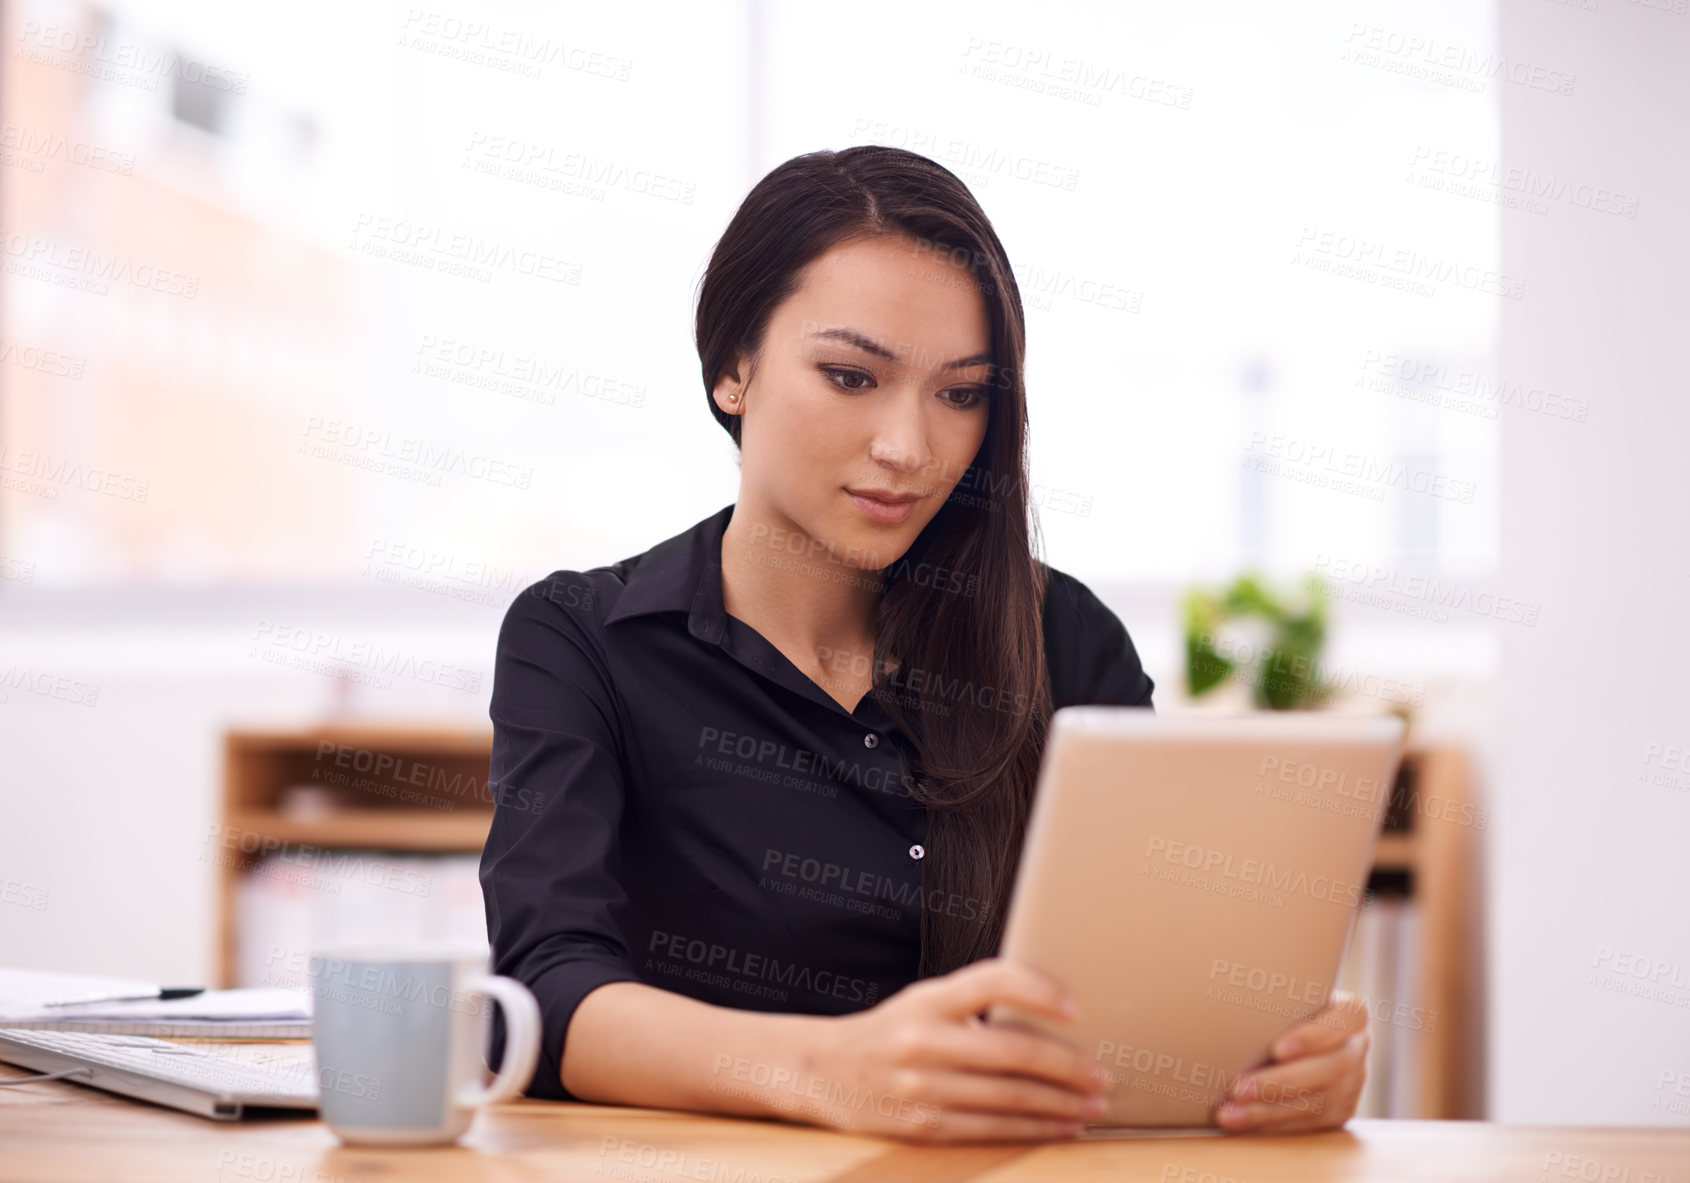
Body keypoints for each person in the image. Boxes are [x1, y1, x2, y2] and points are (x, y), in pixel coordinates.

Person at [479, 145, 1369, 1143]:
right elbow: (541, 993)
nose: (910, 446)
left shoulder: (1065, 641)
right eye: (851, 375)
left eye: (960, 393)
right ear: (734, 368)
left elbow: (1153, 976)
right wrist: (825, 1071)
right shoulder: (583, 640)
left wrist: (1271, 1061)